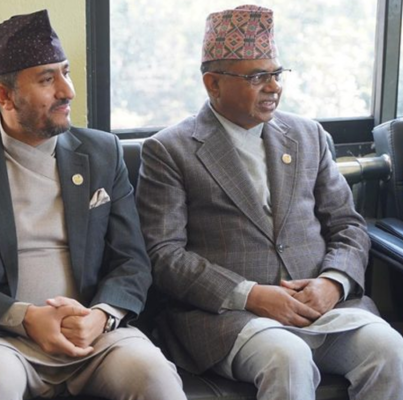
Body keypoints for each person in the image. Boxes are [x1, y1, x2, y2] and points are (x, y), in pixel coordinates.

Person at [0, 10, 184, 400]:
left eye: (66, 73)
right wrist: (24, 318)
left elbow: (132, 261)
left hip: (92, 333)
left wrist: (101, 317)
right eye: (47, 79)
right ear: (4, 95)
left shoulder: (102, 152)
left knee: (154, 376)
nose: (67, 90)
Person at [137, 5, 403, 399]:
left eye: (277, 74)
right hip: (230, 318)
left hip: (325, 310)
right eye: (257, 77)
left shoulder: (308, 135)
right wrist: (251, 294)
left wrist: (334, 282)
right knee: (287, 357)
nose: (274, 87)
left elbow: (348, 225)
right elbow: (163, 255)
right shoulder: (170, 149)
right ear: (213, 84)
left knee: (391, 350)